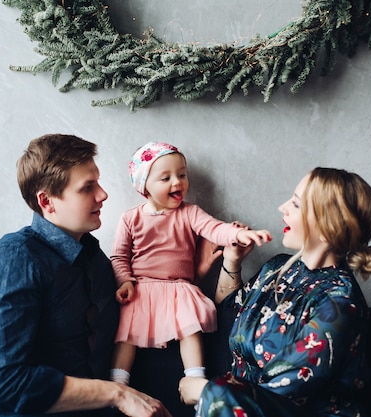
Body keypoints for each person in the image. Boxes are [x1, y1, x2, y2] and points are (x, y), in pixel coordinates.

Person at [0, 134, 171, 417]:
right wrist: (117, 394)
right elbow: (4, 384)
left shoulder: (94, 258)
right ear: (47, 201)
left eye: (98, 181)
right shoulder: (13, 260)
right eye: (87, 187)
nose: (103, 194)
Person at [178, 167, 371, 417]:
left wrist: (203, 390)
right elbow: (229, 309)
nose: (282, 207)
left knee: (218, 393)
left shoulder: (339, 303)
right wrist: (232, 262)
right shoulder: (278, 267)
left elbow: (281, 392)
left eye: (296, 204)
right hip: (244, 407)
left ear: (327, 222)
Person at [109, 141, 272, 387]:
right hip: (141, 288)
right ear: (145, 186)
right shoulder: (130, 219)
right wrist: (124, 280)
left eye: (182, 175)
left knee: (190, 329)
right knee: (126, 335)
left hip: (179, 288)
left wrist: (237, 235)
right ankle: (118, 382)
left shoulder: (189, 213)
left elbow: (214, 228)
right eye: (165, 178)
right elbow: (119, 256)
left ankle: (195, 378)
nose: (178, 182)